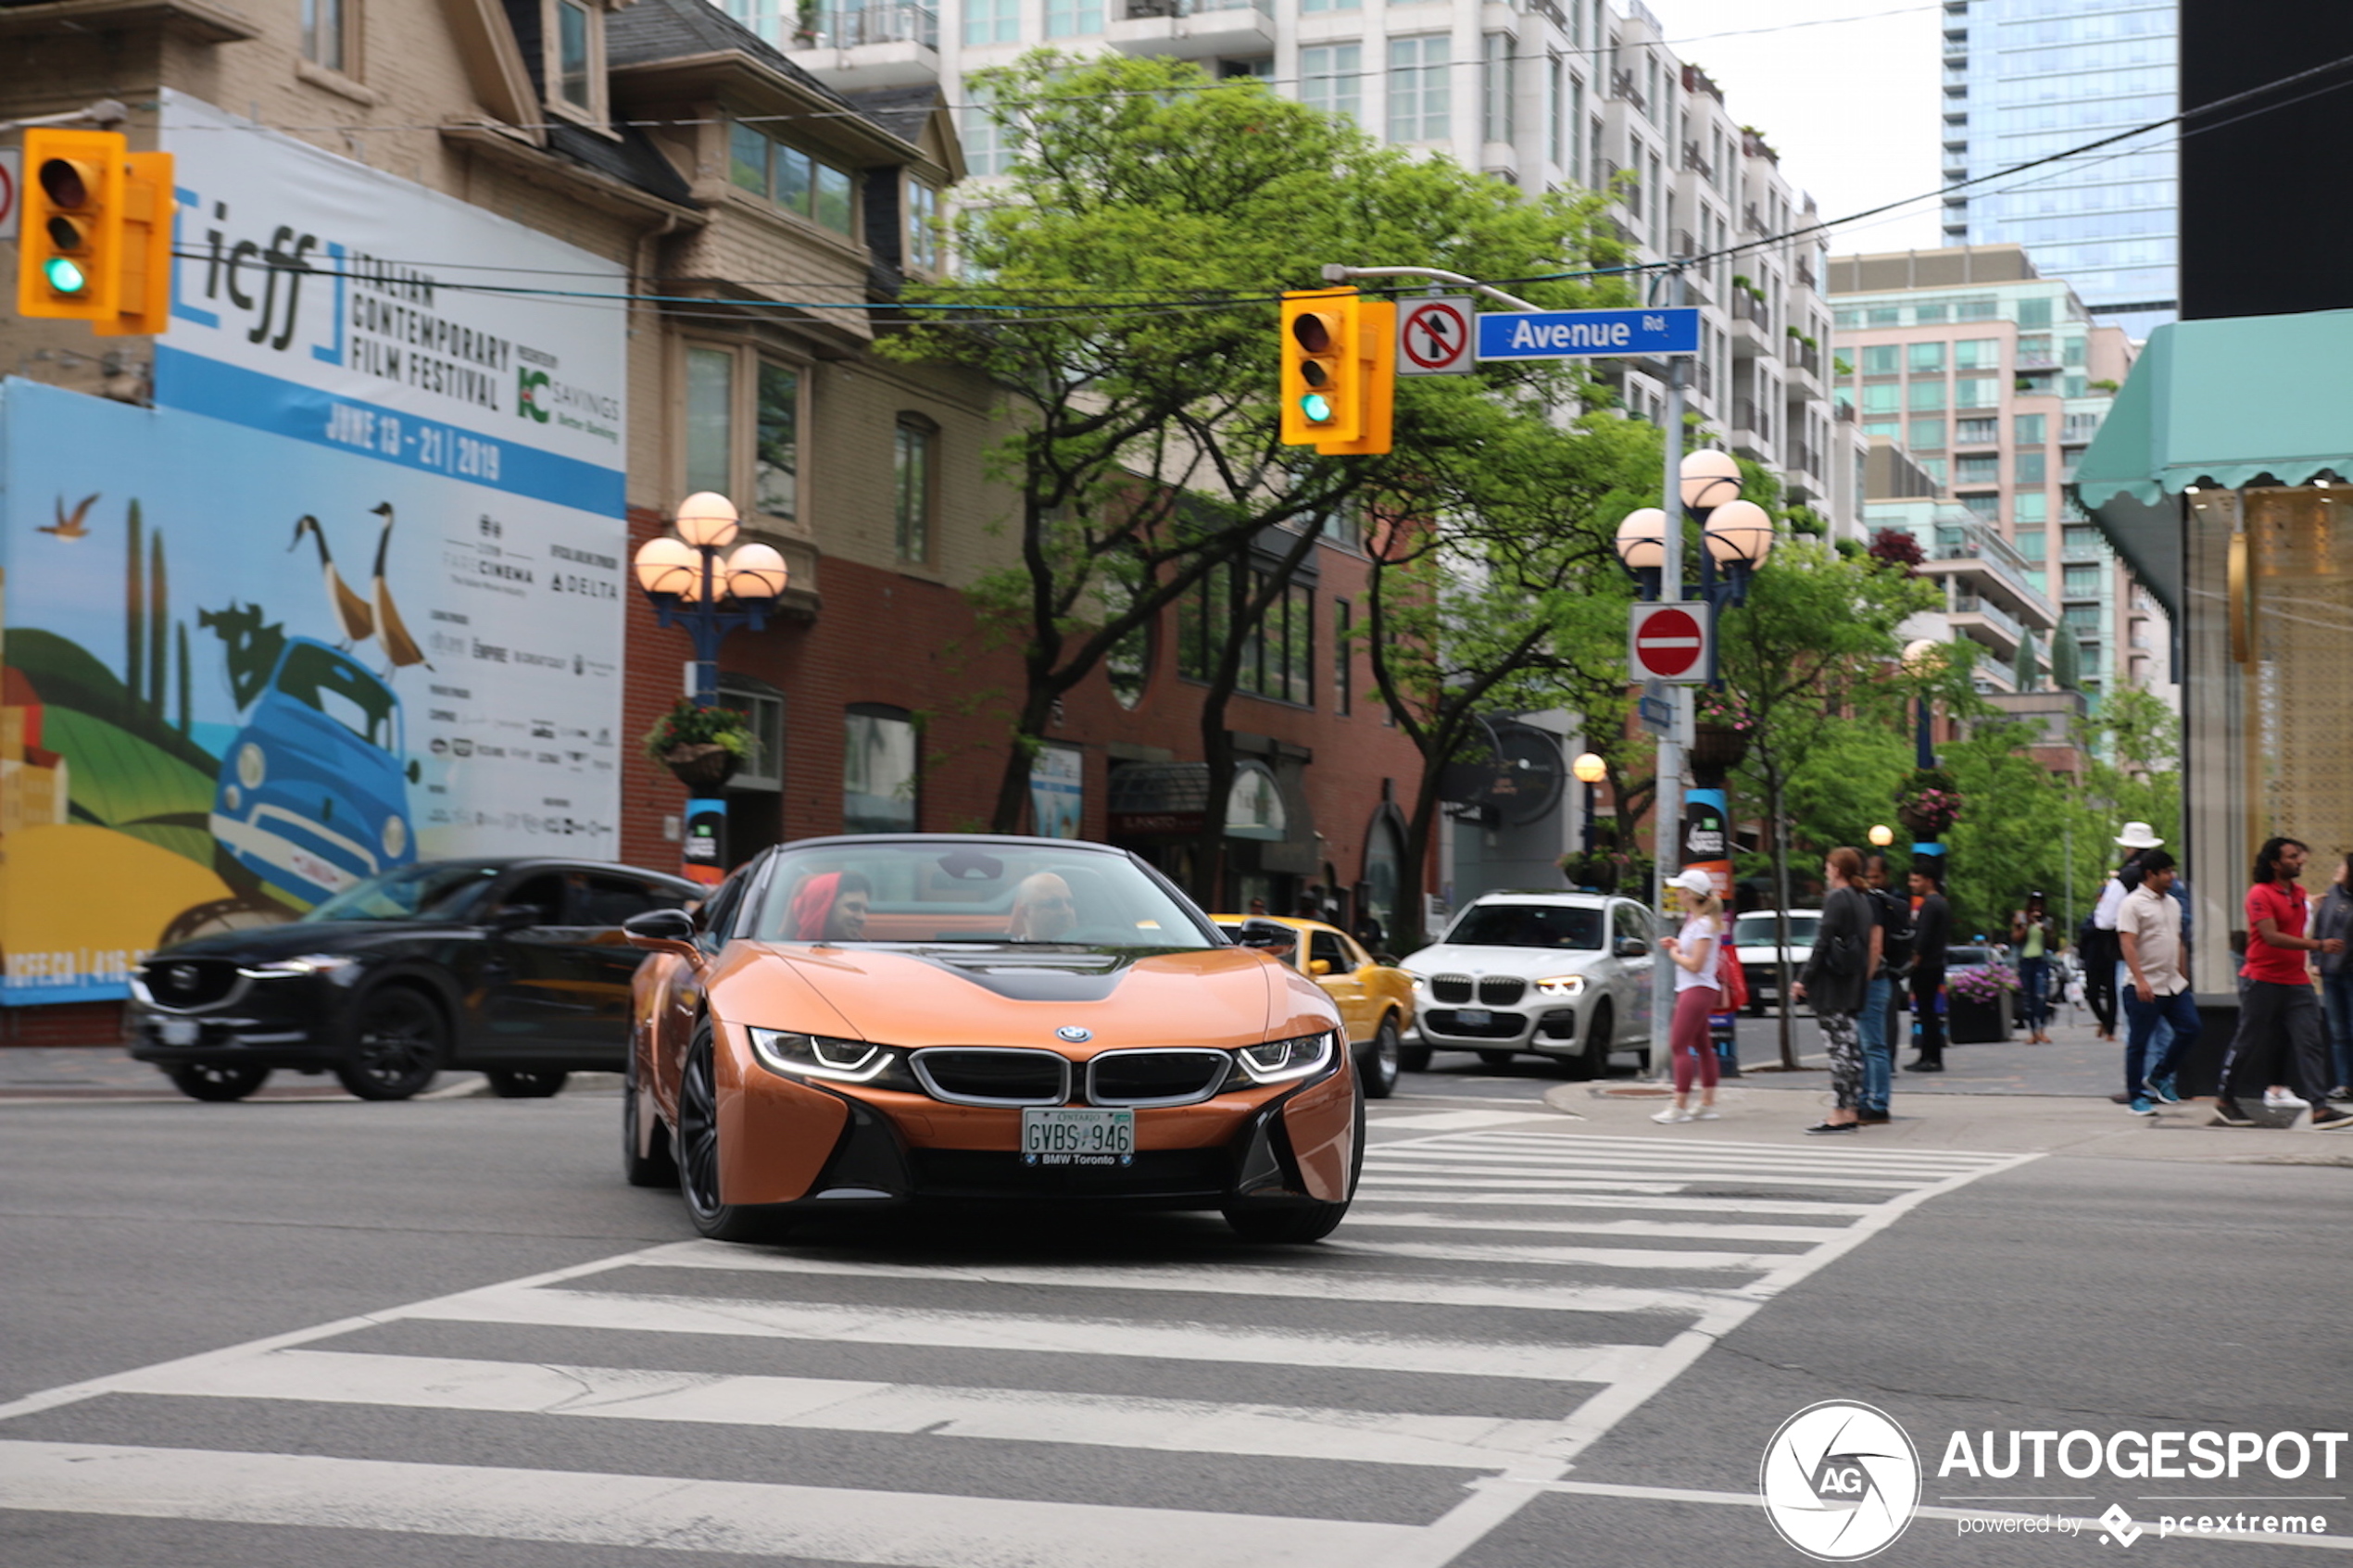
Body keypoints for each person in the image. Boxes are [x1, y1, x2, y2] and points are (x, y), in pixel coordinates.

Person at [2210, 836, 2353, 1130]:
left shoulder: (2298, 893)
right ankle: (2225, 1099)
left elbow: (2300, 922)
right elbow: (2271, 936)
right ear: (2275, 863)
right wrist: (2318, 945)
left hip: (2296, 982)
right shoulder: (2259, 894)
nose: (2300, 860)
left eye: (2301, 856)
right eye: (2292, 856)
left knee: (2310, 1041)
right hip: (2261, 980)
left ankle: (2319, 1108)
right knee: (2247, 1041)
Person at [1793, 847, 1875, 1134]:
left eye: (1828, 866)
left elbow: (1823, 941)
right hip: (1852, 983)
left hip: (1831, 986)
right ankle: (1851, 1108)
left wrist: (1804, 979)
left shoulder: (1837, 898)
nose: (1826, 871)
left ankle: (1838, 1113)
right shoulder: (1861, 899)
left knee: (1838, 1051)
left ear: (1837, 870)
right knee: (1851, 1050)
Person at [2118, 850, 2198, 1114]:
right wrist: (2140, 980)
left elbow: (2178, 942)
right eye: (2166, 872)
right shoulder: (2132, 904)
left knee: (2191, 1028)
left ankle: (2160, 1074)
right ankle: (2136, 1097)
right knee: (2139, 1044)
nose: (2171, 877)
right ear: (2151, 874)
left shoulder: (2173, 904)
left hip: (2173, 983)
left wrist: (2183, 976)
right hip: (2145, 985)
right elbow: (2127, 943)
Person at [1653, 868, 1727, 1125]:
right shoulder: (1696, 922)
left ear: (1691, 894)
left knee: (1678, 1045)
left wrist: (1673, 955)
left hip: (1696, 989)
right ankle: (1706, 1102)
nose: (1678, 894)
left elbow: (1696, 964)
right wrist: (1677, 944)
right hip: (1694, 988)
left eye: (1681, 890)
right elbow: (1695, 953)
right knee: (1703, 1045)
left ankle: (1679, 1104)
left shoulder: (1704, 924)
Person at [2088, 822, 2166, 1040]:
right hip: (2163, 954)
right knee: (2161, 1027)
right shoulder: (2168, 875)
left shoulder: (2125, 877)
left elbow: (2104, 919)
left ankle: (2143, 1073)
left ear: (2129, 848)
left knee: (2137, 1024)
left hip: (2131, 955)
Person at [1857, 853, 1910, 1125]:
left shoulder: (1876, 902)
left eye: (1876, 877)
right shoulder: (1883, 901)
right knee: (1870, 1044)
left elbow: (1876, 946)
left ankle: (1877, 1103)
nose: (1872, 882)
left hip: (1877, 978)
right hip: (1882, 977)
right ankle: (1868, 1099)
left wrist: (1865, 978)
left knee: (1873, 1044)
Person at [2313, 853, 2353, 1102]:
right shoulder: (2332, 894)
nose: (2338, 869)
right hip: (2330, 973)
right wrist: (2316, 960)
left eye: (2342, 865)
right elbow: (2320, 929)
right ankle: (2345, 1083)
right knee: (2338, 1032)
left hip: (2350, 972)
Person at [1906, 862, 1952, 1072]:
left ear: (1929, 881)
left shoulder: (1930, 905)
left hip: (1926, 965)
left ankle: (1930, 1057)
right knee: (1929, 1012)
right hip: (1936, 963)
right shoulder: (1941, 903)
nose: (1912, 884)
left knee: (1926, 1013)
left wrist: (1914, 962)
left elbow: (1922, 937)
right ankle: (1929, 1055)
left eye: (1916, 880)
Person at [2011, 892, 2058, 1044]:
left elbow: (2052, 944)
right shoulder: (2021, 918)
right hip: (2025, 961)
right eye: (2034, 904)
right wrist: (2027, 925)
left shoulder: (2047, 921)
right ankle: (2032, 1032)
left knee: (2041, 995)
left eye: (2039, 904)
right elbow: (2015, 939)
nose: (2036, 907)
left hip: (2041, 961)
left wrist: (2045, 930)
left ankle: (2042, 1030)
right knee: (2028, 998)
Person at [787, 871, 872, 942]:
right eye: (853, 907)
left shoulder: (866, 953)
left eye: (865, 911)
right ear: (824, 908)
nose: (862, 918)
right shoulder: (789, 956)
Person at [1010, 872, 1080, 941]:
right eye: (1053, 904)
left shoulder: (1087, 949)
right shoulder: (1007, 951)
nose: (1066, 911)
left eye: (1070, 903)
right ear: (1026, 911)